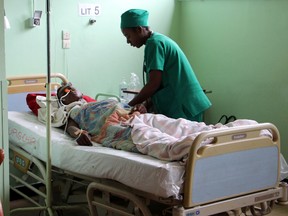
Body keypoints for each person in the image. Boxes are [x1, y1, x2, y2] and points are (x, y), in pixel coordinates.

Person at [120, 9, 211, 122]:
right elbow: (160, 85)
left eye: (128, 36)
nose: (128, 41)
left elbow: (154, 83)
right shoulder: (156, 41)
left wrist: (127, 106)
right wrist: (144, 105)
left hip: (184, 105)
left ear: (139, 29)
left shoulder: (155, 44)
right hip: (182, 103)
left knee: (188, 138)